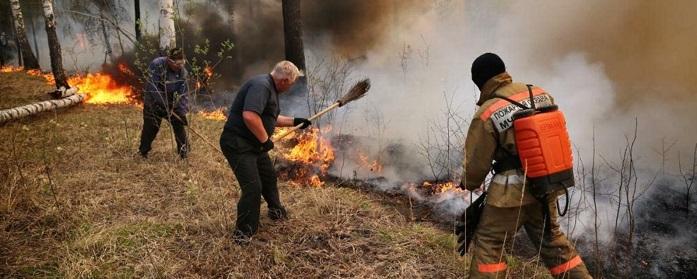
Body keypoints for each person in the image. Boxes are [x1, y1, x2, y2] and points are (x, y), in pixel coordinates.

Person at [461, 53, 592, 278]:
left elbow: (477, 163)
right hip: (545, 185)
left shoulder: (487, 112)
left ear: (480, 82)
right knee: (553, 242)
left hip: (509, 195)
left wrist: (468, 182)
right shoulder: (540, 94)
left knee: (491, 245)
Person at [219, 61, 311, 243]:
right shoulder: (261, 86)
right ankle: (243, 234)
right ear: (284, 80)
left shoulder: (269, 87)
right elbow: (250, 115)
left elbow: (270, 117)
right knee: (253, 188)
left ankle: (276, 211)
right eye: (291, 83)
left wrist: (296, 121)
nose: (291, 87)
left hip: (253, 145)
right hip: (239, 145)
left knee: (268, 177)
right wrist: (265, 140)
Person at [139, 48, 189, 159]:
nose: (181, 66)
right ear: (169, 60)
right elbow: (153, 87)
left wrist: (181, 111)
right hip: (153, 101)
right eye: (178, 63)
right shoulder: (157, 65)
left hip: (170, 102)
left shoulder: (183, 73)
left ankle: (183, 153)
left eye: (183, 63)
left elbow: (183, 94)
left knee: (179, 124)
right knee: (151, 127)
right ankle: (143, 152)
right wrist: (163, 104)